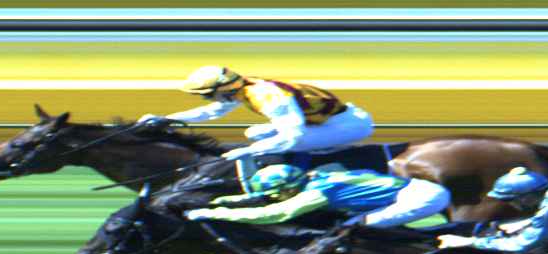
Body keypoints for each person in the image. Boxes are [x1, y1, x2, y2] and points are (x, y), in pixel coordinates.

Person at [144, 66, 373, 169]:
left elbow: (293, 136)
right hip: (330, 120)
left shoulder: (266, 96)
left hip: (348, 126)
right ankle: (315, 151)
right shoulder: (244, 87)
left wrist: (248, 151)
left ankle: (321, 157)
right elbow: (212, 112)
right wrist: (166, 119)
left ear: (223, 89)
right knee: (255, 133)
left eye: (206, 94)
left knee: (280, 144)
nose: (205, 99)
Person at [182, 164, 451, 230]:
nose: (276, 197)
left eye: (277, 193)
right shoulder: (320, 175)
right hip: (419, 188)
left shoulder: (316, 192)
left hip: (421, 199)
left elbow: (275, 214)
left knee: (349, 231)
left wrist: (213, 214)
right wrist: (227, 201)